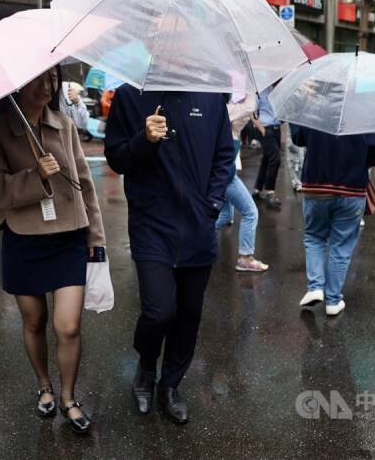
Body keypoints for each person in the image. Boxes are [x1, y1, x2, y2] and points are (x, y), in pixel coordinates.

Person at [0, 65, 105, 434]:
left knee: (67, 326)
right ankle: (44, 386)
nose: (47, 85)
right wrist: (37, 176)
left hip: (68, 236)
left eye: (53, 77)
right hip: (23, 239)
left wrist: (95, 240)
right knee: (33, 321)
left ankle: (68, 397)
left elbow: (84, 184)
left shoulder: (63, 125)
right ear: (17, 83)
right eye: (39, 77)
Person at [105, 84, 234, 424]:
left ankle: (171, 385)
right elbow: (116, 158)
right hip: (151, 225)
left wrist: (213, 205)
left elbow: (225, 156)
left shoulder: (210, 98)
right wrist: (143, 140)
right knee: (160, 312)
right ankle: (146, 368)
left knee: (189, 314)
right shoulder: (130, 95)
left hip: (198, 226)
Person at [291, 125, 375, 316]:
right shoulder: (362, 113)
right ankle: (333, 300)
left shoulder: (315, 110)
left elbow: (298, 137)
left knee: (314, 236)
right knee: (341, 245)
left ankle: (315, 286)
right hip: (351, 189)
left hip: (316, 186)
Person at [216, 94, 269, 272]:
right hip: (227, 178)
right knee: (250, 213)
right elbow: (248, 107)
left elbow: (246, 112)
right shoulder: (225, 111)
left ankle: (188, 238)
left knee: (224, 216)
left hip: (223, 175)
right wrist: (251, 86)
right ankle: (245, 258)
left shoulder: (225, 112)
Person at [251, 84, 283, 208]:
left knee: (267, 159)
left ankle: (257, 190)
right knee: (275, 158)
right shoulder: (260, 91)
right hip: (265, 128)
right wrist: (261, 129)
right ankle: (270, 192)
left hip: (276, 128)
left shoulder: (279, 91)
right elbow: (252, 113)